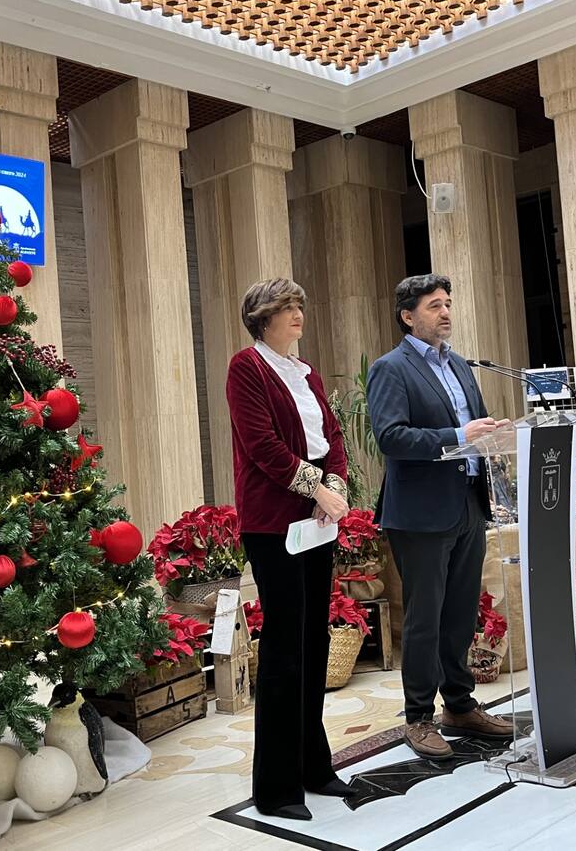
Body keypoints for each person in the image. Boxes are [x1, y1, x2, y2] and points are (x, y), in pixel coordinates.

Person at [366, 274, 513, 760]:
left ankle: (460, 704)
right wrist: (459, 432)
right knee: (425, 618)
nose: (446, 312)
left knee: (460, 613)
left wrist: (496, 435)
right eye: (434, 306)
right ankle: (418, 718)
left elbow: (476, 427)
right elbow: (391, 437)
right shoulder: (392, 368)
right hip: (420, 514)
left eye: (448, 303)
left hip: (468, 504)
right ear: (409, 316)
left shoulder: (461, 367)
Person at [225, 278, 354, 820]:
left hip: (316, 522)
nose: (298, 314)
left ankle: (313, 765)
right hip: (274, 523)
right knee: (284, 646)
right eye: (287, 307)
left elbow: (333, 438)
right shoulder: (245, 368)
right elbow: (263, 448)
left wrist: (338, 491)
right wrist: (317, 487)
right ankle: (276, 788)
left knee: (314, 640)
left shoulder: (308, 373)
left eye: (300, 304)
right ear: (263, 317)